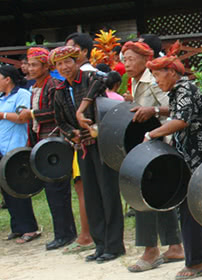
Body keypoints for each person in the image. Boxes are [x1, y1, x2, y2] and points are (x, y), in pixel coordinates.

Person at [145, 41, 202, 280]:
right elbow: (177, 113)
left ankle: (195, 263)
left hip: (192, 156)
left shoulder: (183, 89)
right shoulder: (180, 90)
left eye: (158, 75)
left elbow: (181, 120)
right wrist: (156, 112)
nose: (156, 80)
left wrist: (152, 134)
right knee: (195, 208)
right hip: (193, 154)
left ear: (172, 72)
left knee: (189, 208)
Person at [50, 46, 125, 263]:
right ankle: (100, 244)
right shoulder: (59, 90)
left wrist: (81, 109)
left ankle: (114, 245)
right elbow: (60, 121)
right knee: (91, 195)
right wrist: (71, 133)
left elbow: (103, 82)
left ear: (76, 61)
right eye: (59, 64)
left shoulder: (91, 77)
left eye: (68, 62)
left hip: (102, 143)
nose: (64, 67)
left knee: (108, 193)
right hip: (82, 146)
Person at [120, 40, 184, 273]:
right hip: (151, 144)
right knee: (159, 193)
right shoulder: (137, 81)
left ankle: (151, 251)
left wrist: (152, 110)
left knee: (142, 191)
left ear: (144, 59)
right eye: (124, 59)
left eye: (130, 59)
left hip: (161, 143)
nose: (126, 63)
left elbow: (176, 108)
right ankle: (175, 246)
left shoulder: (155, 79)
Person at [17, 47, 77, 250]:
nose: (30, 68)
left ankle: (66, 234)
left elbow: (56, 113)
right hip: (42, 145)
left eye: (35, 64)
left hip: (55, 145)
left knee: (57, 190)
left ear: (46, 66)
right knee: (52, 191)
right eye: (29, 64)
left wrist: (32, 115)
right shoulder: (37, 86)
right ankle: (62, 232)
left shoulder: (54, 85)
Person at [62, 32, 97, 254]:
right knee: (81, 185)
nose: (64, 62)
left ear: (83, 53)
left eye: (70, 52)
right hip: (80, 138)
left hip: (90, 139)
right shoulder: (70, 81)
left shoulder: (89, 76)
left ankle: (88, 235)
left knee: (85, 187)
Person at [0, 65, 41, 244]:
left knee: (18, 189)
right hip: (2, 149)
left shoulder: (22, 94)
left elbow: (23, 117)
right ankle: (17, 226)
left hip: (16, 148)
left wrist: (2, 115)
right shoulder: (2, 97)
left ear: (7, 79)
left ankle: (30, 228)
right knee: (6, 190)